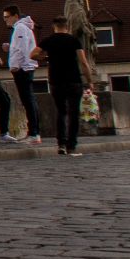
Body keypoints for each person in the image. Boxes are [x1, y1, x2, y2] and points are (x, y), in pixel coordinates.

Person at [32, 16, 91, 157]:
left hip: (56, 81)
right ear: (67, 26)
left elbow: (33, 54)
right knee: (73, 113)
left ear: (54, 26)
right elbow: (83, 62)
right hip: (74, 81)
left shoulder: (49, 40)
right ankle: (71, 145)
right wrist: (89, 80)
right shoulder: (73, 40)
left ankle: (61, 144)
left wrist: (46, 58)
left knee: (61, 112)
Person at [3, 5, 44, 144]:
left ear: (15, 16)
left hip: (23, 69)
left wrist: (15, 66)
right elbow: (20, 46)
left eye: (7, 17)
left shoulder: (20, 28)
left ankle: (34, 132)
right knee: (29, 100)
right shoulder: (23, 28)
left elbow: (21, 49)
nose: (5, 20)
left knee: (28, 100)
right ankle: (34, 132)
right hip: (26, 67)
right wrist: (10, 47)